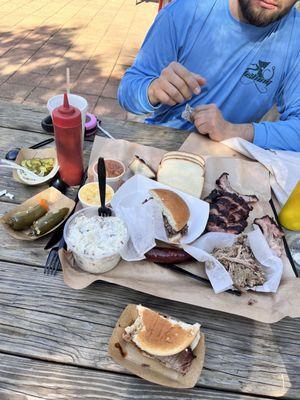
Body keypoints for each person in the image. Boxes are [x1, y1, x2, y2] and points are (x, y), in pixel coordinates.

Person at [118, 0, 300, 152]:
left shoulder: (296, 36)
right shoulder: (185, 11)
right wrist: (153, 90)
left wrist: (232, 131)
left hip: (228, 158)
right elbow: (127, 92)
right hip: (160, 148)